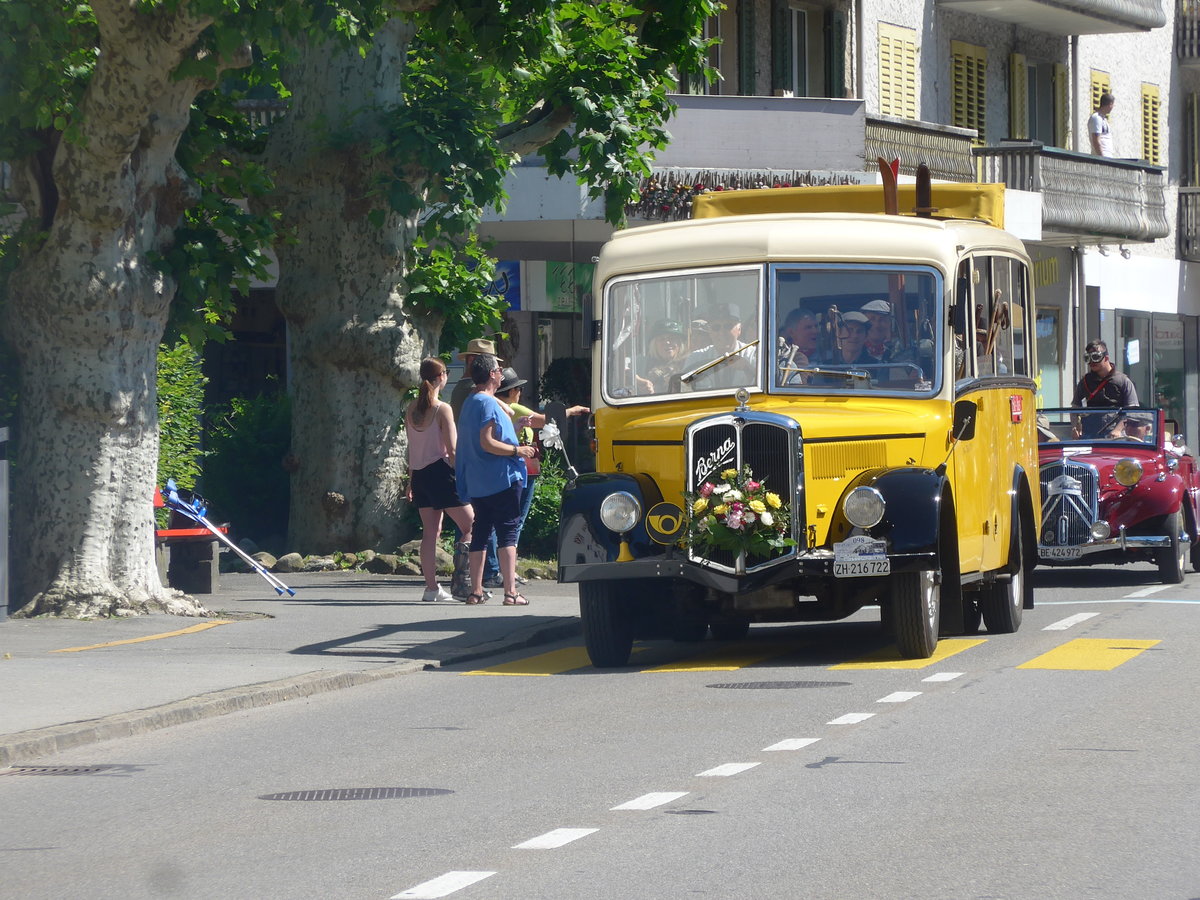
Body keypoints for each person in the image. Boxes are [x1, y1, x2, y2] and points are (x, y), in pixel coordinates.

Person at [455, 353, 537, 606]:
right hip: (501, 478)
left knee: (480, 533)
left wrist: (517, 429)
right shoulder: (488, 403)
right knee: (508, 533)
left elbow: (486, 439)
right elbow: (488, 442)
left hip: (478, 479)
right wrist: (518, 450)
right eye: (499, 369)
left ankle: (476, 591)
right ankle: (511, 592)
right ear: (491, 374)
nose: (502, 372)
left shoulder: (471, 401)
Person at [495, 366, 589, 554]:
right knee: (517, 519)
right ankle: (507, 562)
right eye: (519, 389)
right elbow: (546, 419)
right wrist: (572, 410)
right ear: (513, 391)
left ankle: (498, 563)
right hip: (522, 467)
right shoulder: (513, 408)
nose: (520, 393)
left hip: (504, 467)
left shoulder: (493, 406)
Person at [405, 358, 474, 602]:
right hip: (442, 472)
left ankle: (432, 587)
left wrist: (410, 481)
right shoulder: (442, 408)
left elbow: (412, 449)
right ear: (442, 376)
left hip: (421, 475)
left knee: (430, 533)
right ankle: (463, 578)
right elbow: (452, 450)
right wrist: (464, 475)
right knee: (471, 524)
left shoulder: (411, 409)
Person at [451, 337, 503, 586]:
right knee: (481, 521)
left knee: (476, 521)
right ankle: (485, 572)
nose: (495, 368)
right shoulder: (472, 393)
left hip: (467, 458)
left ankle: (475, 574)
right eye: (492, 363)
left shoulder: (468, 391)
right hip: (479, 459)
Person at [1071, 339, 1139, 438]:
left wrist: (1118, 430)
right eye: (1088, 358)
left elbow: (1131, 410)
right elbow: (1075, 407)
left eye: (1095, 357)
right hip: (1089, 435)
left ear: (1106, 357)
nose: (1091, 362)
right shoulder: (1084, 382)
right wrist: (1075, 427)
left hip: (1114, 437)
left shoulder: (1122, 381)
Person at [682, 301, 756, 388]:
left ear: (739, 329)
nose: (722, 333)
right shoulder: (696, 358)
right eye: (716, 327)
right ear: (709, 331)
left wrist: (747, 369)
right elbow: (684, 389)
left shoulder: (753, 355)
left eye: (728, 326)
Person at [635, 320, 688, 394]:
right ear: (654, 344)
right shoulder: (643, 362)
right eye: (662, 339)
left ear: (679, 343)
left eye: (672, 338)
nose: (667, 342)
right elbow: (620, 369)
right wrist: (638, 381)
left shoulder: (689, 362)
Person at [777, 307, 819, 384]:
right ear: (791, 332)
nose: (815, 331)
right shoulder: (782, 358)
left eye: (816, 326)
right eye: (808, 327)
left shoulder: (826, 356)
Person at [1089, 93, 1115, 158]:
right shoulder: (1096, 118)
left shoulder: (1103, 119)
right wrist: (1102, 158)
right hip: (1102, 158)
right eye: (1113, 104)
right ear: (1110, 104)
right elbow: (1096, 140)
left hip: (1108, 156)